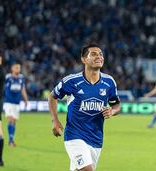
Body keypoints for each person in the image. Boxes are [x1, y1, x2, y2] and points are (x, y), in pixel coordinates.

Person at [48, 43, 120, 171]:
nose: (99, 57)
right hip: (74, 136)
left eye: (101, 54)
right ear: (84, 59)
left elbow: (116, 106)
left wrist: (112, 111)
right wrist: (55, 120)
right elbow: (52, 96)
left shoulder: (109, 82)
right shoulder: (72, 81)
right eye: (93, 54)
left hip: (96, 139)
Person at [3, 63, 28, 147]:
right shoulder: (8, 77)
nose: (18, 69)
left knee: (14, 121)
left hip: (17, 103)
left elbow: (23, 89)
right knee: (10, 119)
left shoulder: (21, 78)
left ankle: (11, 138)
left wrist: (25, 99)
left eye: (19, 68)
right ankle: (10, 140)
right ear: (12, 68)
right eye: (16, 67)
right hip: (8, 102)